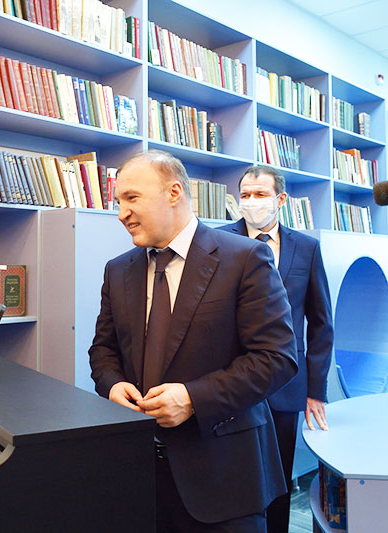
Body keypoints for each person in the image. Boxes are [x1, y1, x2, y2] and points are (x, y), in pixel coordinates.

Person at [89, 151, 298, 532]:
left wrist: (192, 398)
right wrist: (112, 385)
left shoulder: (245, 258)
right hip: (139, 477)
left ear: (174, 192)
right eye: (118, 201)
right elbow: (103, 350)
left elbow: (276, 357)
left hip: (224, 479)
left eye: (131, 198)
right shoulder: (118, 270)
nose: (121, 213)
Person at [219, 165, 334, 533]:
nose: (251, 201)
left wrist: (316, 390)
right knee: (231, 478)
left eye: (260, 194)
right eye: (245, 195)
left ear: (281, 199)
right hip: (230, 383)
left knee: (278, 478)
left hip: (286, 384)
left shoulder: (307, 248)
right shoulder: (218, 241)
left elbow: (321, 323)